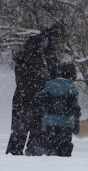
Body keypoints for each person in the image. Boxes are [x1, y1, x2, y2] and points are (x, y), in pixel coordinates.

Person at [6, 24, 61, 155]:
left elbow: (20, 78)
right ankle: (33, 155)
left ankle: (13, 154)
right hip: (37, 94)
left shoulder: (24, 56)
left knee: (20, 128)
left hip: (21, 94)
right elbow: (51, 74)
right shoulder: (47, 49)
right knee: (38, 127)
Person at [24, 62, 81, 157]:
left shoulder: (47, 88)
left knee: (45, 152)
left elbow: (35, 105)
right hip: (65, 126)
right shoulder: (72, 91)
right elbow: (75, 109)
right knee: (62, 155)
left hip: (47, 124)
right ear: (73, 75)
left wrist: (33, 121)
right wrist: (76, 125)